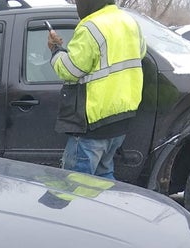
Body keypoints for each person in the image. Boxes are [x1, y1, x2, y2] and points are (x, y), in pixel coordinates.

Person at [47, 0, 146, 179]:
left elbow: (71, 70)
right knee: (103, 177)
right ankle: (107, 207)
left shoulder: (90, 27)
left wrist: (56, 51)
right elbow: (140, 53)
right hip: (120, 119)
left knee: (73, 185)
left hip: (93, 123)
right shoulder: (129, 22)